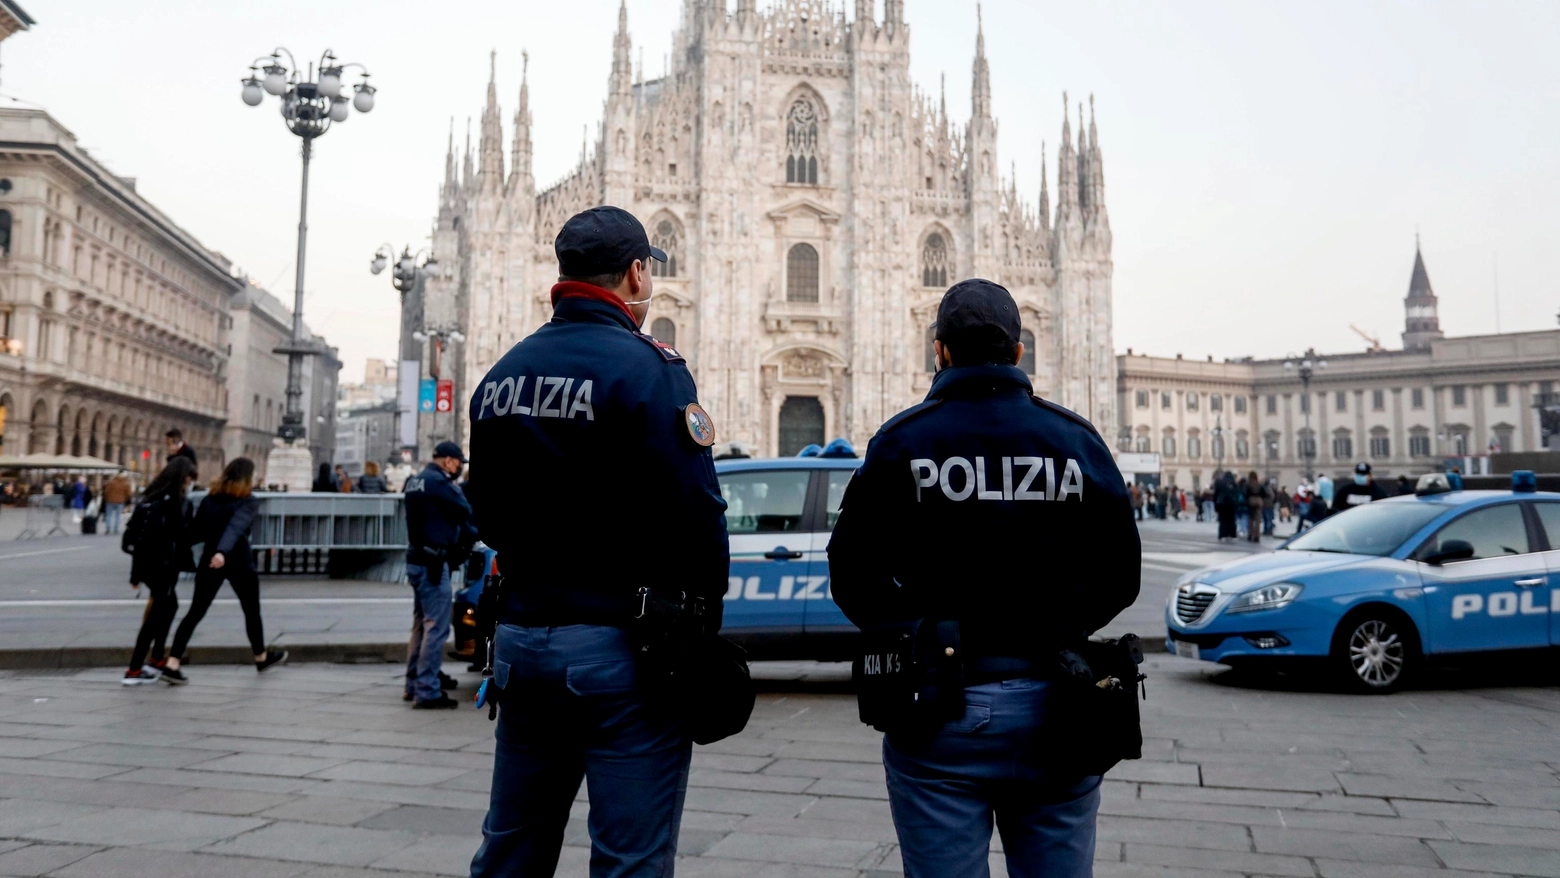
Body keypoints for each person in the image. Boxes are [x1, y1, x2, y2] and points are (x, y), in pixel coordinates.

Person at [829, 278, 1140, 878]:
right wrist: (1060, 629)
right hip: (1060, 706)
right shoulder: (1077, 441)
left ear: (938, 350)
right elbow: (1120, 574)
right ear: (1020, 352)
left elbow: (851, 574)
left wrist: (919, 634)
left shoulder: (902, 441)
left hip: (939, 710)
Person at [467, 205, 729, 876]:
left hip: (524, 642)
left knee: (512, 850)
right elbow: (698, 516)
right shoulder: (650, 370)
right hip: (621, 650)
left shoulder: (500, 378)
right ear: (637, 274)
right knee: (628, 860)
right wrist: (698, 633)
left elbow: (487, 515)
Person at [165, 458, 287, 682]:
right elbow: (236, 526)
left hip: (211, 560)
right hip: (237, 561)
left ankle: (172, 663)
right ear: (247, 478)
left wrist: (176, 544)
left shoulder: (210, 499)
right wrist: (223, 552)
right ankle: (260, 658)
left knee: (195, 612)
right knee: (251, 611)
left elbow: (196, 532)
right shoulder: (249, 501)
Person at [402, 441, 476, 710]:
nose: (459, 468)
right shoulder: (439, 482)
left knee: (421, 625)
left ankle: (412, 684)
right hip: (433, 562)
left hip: (416, 559)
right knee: (437, 628)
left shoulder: (415, 481)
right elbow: (464, 509)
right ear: (447, 460)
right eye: (458, 463)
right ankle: (427, 690)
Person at [120, 457, 196, 685]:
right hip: (164, 566)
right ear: (182, 478)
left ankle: (156, 659)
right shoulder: (175, 503)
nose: (190, 484)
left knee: (168, 607)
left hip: (150, 566)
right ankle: (134, 670)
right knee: (156, 616)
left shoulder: (149, 499)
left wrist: (136, 574)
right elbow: (181, 536)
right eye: (189, 479)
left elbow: (137, 539)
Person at [102, 471, 132, 535]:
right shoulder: (125, 483)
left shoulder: (111, 482)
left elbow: (106, 491)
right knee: (117, 516)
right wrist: (125, 499)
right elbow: (128, 494)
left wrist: (107, 498)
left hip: (110, 501)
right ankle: (116, 528)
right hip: (120, 501)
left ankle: (108, 528)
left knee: (108, 515)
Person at [1214, 471, 1238, 541]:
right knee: (1232, 520)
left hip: (1222, 504)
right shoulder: (1233, 483)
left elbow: (1216, 494)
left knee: (1222, 520)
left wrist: (1216, 505)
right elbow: (1236, 493)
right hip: (1231, 504)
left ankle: (1222, 534)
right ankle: (1232, 534)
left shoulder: (1220, 482)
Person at [1243, 471, 1265, 543]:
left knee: (1250, 519)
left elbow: (1245, 493)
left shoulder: (1248, 484)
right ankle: (1257, 536)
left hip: (1251, 500)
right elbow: (1263, 493)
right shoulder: (1259, 484)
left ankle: (1250, 534)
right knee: (1258, 519)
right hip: (1258, 500)